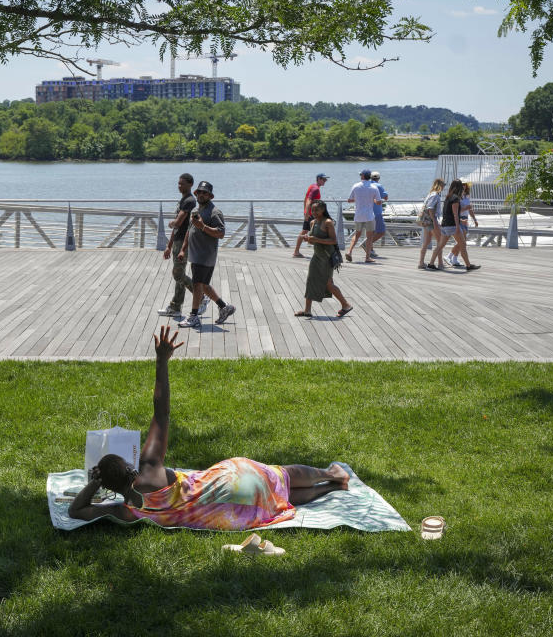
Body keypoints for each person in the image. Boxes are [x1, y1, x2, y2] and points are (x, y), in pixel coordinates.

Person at [68, 326, 351, 530]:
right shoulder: (150, 467)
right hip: (230, 481)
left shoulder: (127, 511)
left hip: (235, 511)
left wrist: (95, 483)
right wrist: (161, 362)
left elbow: (76, 510)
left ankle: (331, 487)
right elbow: (161, 413)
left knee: (282, 498)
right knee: (281, 476)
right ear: (128, 466)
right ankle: (331, 474)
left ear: (111, 488)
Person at [178, 181, 237, 329]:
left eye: (205, 192)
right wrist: (183, 249)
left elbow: (221, 233)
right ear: (196, 193)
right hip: (196, 254)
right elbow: (189, 231)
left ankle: (193, 316)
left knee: (197, 284)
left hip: (205, 255)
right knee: (203, 285)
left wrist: (203, 227)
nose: (202, 194)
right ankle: (224, 307)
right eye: (200, 192)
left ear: (210, 195)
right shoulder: (197, 211)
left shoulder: (214, 212)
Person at [158, 173, 209, 317]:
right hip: (177, 241)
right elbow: (177, 228)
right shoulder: (182, 200)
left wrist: (171, 222)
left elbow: (178, 222)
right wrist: (169, 245)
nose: (179, 186)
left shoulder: (189, 201)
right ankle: (176, 307)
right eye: (178, 183)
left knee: (178, 273)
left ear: (190, 184)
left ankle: (201, 297)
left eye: (182, 183)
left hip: (184, 243)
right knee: (179, 274)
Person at [294, 200, 354, 318]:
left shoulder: (328, 222)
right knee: (310, 280)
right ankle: (307, 310)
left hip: (327, 257)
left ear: (323, 210)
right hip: (317, 256)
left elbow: (333, 241)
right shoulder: (312, 222)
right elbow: (313, 240)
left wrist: (315, 239)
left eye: (317, 210)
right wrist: (308, 239)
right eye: (312, 210)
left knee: (328, 283)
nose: (314, 212)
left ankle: (346, 305)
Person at [428, 179, 480, 271]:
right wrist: (457, 227)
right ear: (459, 187)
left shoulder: (448, 197)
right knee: (463, 245)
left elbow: (448, 212)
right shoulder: (455, 198)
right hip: (452, 225)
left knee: (440, 246)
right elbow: (455, 214)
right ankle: (468, 265)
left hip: (445, 225)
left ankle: (431, 263)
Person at [346, 169, 382, 263]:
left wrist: (358, 200)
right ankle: (367, 257)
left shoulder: (356, 186)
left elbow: (349, 200)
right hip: (369, 215)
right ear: (369, 176)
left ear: (362, 176)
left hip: (358, 215)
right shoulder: (374, 187)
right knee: (369, 237)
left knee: (357, 234)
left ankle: (349, 252)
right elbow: (378, 202)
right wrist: (373, 200)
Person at [292, 173, 328, 258]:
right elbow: (308, 200)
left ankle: (296, 251)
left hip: (310, 213)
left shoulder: (312, 186)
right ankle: (320, 251)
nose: (325, 181)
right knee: (319, 231)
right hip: (312, 214)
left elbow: (305, 198)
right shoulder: (315, 189)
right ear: (319, 179)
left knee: (305, 231)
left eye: (326, 180)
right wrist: (307, 213)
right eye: (324, 179)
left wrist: (305, 211)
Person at [417, 178, 445, 270]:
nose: (444, 187)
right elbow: (430, 208)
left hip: (426, 221)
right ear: (440, 185)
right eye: (443, 185)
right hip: (431, 222)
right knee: (440, 242)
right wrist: (435, 222)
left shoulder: (430, 194)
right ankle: (440, 263)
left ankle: (421, 263)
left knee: (426, 242)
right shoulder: (435, 195)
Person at [448, 181, 478, 268]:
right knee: (462, 242)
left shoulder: (466, 196)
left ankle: (454, 258)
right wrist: (466, 208)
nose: (464, 186)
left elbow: (470, 210)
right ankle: (450, 256)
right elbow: (456, 211)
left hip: (465, 219)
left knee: (462, 242)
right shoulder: (457, 197)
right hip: (459, 220)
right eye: (462, 185)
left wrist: (474, 219)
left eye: (465, 185)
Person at [369, 171, 388, 258]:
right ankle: (367, 244)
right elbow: (386, 197)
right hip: (377, 212)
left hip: (368, 212)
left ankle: (370, 250)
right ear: (378, 178)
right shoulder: (379, 186)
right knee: (381, 231)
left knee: (371, 232)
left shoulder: (367, 185)